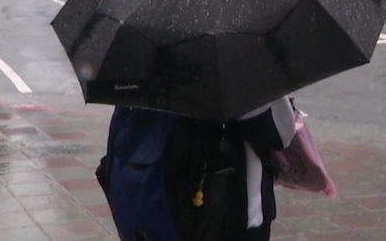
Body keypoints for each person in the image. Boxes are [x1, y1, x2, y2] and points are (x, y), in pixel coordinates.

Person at [103, 96, 296, 241]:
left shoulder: (141, 59)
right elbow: (281, 132)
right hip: (225, 210)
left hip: (152, 199)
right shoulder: (234, 63)